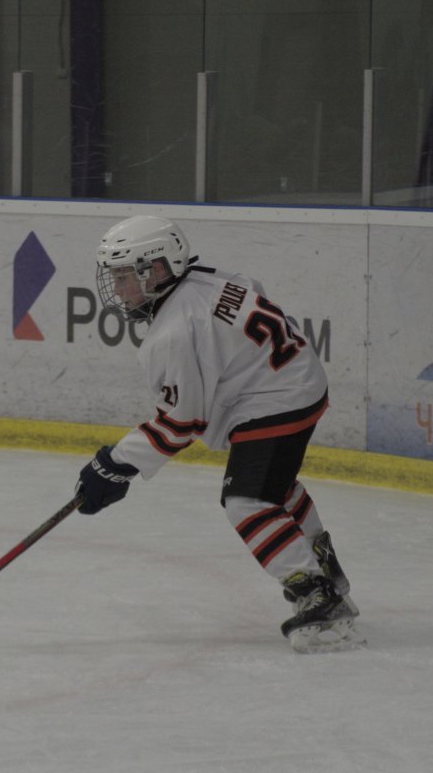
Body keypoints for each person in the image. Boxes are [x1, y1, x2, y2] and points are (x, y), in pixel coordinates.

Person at [75, 214, 361, 652]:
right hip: (298, 378)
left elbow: (180, 422)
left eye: (123, 276)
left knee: (247, 501)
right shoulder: (207, 279)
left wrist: (114, 465)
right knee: (275, 485)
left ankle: (316, 593)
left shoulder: (173, 331)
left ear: (156, 270)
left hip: (277, 399)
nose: (117, 288)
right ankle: (325, 569)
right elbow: (252, 293)